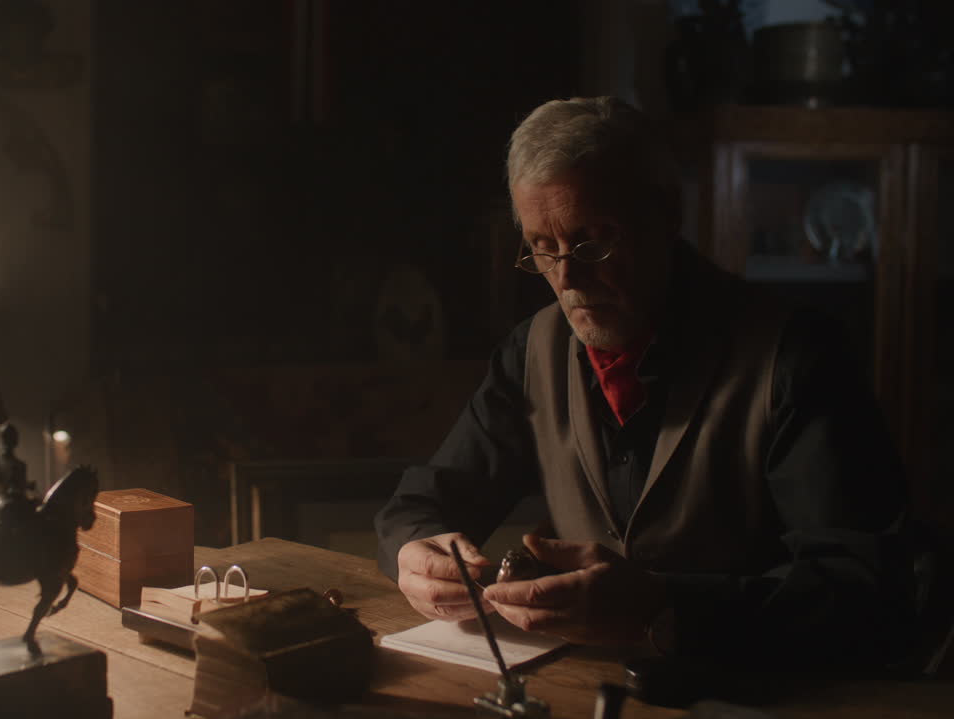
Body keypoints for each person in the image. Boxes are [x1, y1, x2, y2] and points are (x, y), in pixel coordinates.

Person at [375, 96, 916, 666]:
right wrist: (414, 551)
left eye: (594, 240)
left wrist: (664, 606)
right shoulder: (530, 353)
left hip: (762, 690)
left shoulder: (794, 356)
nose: (568, 278)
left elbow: (862, 588)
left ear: (667, 216)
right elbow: (422, 503)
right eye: (543, 249)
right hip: (581, 690)